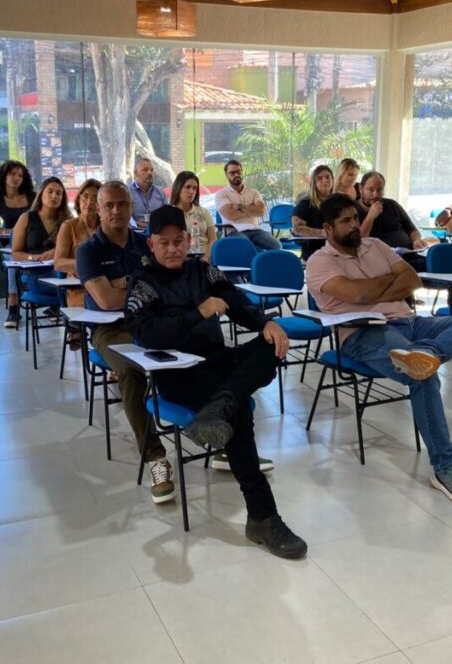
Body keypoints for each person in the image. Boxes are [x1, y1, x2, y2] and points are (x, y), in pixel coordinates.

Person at [125, 205, 306, 559]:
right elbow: (147, 334)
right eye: (165, 242)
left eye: (179, 241)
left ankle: (222, 402)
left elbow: (237, 302)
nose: (174, 249)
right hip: (177, 373)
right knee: (237, 412)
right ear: (151, 244)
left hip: (217, 361)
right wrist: (198, 312)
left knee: (271, 344)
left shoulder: (203, 271)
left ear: (188, 239)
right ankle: (263, 516)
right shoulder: (143, 283)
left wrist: (265, 323)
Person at [306, 194, 452, 506]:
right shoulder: (319, 262)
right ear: (328, 229)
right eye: (345, 221)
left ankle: (428, 353)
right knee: (422, 376)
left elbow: (412, 280)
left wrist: (373, 291)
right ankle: (446, 467)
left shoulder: (375, 245)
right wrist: (389, 282)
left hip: (411, 323)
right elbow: (359, 294)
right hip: (363, 333)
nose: (354, 225)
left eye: (356, 218)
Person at [75, 181, 172, 504]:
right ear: (98, 209)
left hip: (150, 321)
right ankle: (155, 456)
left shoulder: (145, 244)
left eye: (122, 204)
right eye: (109, 205)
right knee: (131, 371)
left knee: (202, 349)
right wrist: (141, 286)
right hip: (110, 329)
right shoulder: (89, 251)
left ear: (131, 207)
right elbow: (105, 301)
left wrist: (123, 285)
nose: (116, 211)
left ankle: (218, 437)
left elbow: (165, 287)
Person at [4, 176, 70, 328]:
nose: (54, 196)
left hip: (61, 272)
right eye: (50, 192)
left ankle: (71, 323)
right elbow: (15, 253)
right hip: (35, 274)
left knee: (74, 283)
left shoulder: (67, 220)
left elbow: (75, 247)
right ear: (41, 194)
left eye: (59, 193)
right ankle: (71, 323)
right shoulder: (26, 218)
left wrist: (54, 252)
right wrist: (33, 257)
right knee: (69, 288)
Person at [0, 161, 37, 319]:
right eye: (12, 174)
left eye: (20, 175)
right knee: (13, 257)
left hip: (33, 240)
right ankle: (13, 302)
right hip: (10, 241)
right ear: (4, 176)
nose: (16, 178)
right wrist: (16, 231)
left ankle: (52, 302)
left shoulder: (32, 197)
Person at [357, 171, 429, 271]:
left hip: (407, 256)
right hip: (380, 263)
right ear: (361, 189)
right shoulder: (353, 210)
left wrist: (416, 240)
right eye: (370, 189)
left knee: (438, 263)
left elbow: (412, 230)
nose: (375, 194)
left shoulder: (392, 205)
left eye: (379, 190)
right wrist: (370, 217)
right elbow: (360, 241)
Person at [54, 178, 101, 317]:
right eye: (85, 196)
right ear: (78, 199)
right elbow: (58, 263)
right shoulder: (68, 227)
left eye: (95, 198)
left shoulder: (107, 227)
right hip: (79, 288)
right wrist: (86, 266)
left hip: (105, 284)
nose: (89, 202)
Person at [214, 159, 282, 251]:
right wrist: (252, 210)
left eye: (239, 172)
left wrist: (239, 206)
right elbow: (230, 214)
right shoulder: (222, 194)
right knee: (246, 246)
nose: (236, 175)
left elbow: (261, 211)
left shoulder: (253, 192)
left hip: (255, 230)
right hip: (234, 231)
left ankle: (265, 261)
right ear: (226, 175)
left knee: (277, 245)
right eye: (232, 173)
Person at [291, 164, 334, 261]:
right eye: (320, 178)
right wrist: (321, 233)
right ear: (314, 182)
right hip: (314, 252)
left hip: (337, 251)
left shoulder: (338, 201)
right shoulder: (306, 203)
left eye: (328, 177)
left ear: (333, 180)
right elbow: (296, 228)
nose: (325, 181)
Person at [169, 170, 215, 259]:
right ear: (178, 188)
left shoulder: (203, 211)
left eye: (194, 188)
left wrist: (206, 258)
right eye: (188, 187)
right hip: (180, 258)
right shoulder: (169, 213)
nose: (191, 191)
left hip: (205, 256)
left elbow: (213, 239)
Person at [129, 156, 168, 230]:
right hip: (135, 232)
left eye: (152, 170)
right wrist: (136, 224)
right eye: (145, 170)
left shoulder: (160, 194)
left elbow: (166, 216)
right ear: (135, 173)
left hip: (157, 232)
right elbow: (123, 217)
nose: (150, 173)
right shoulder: (127, 193)